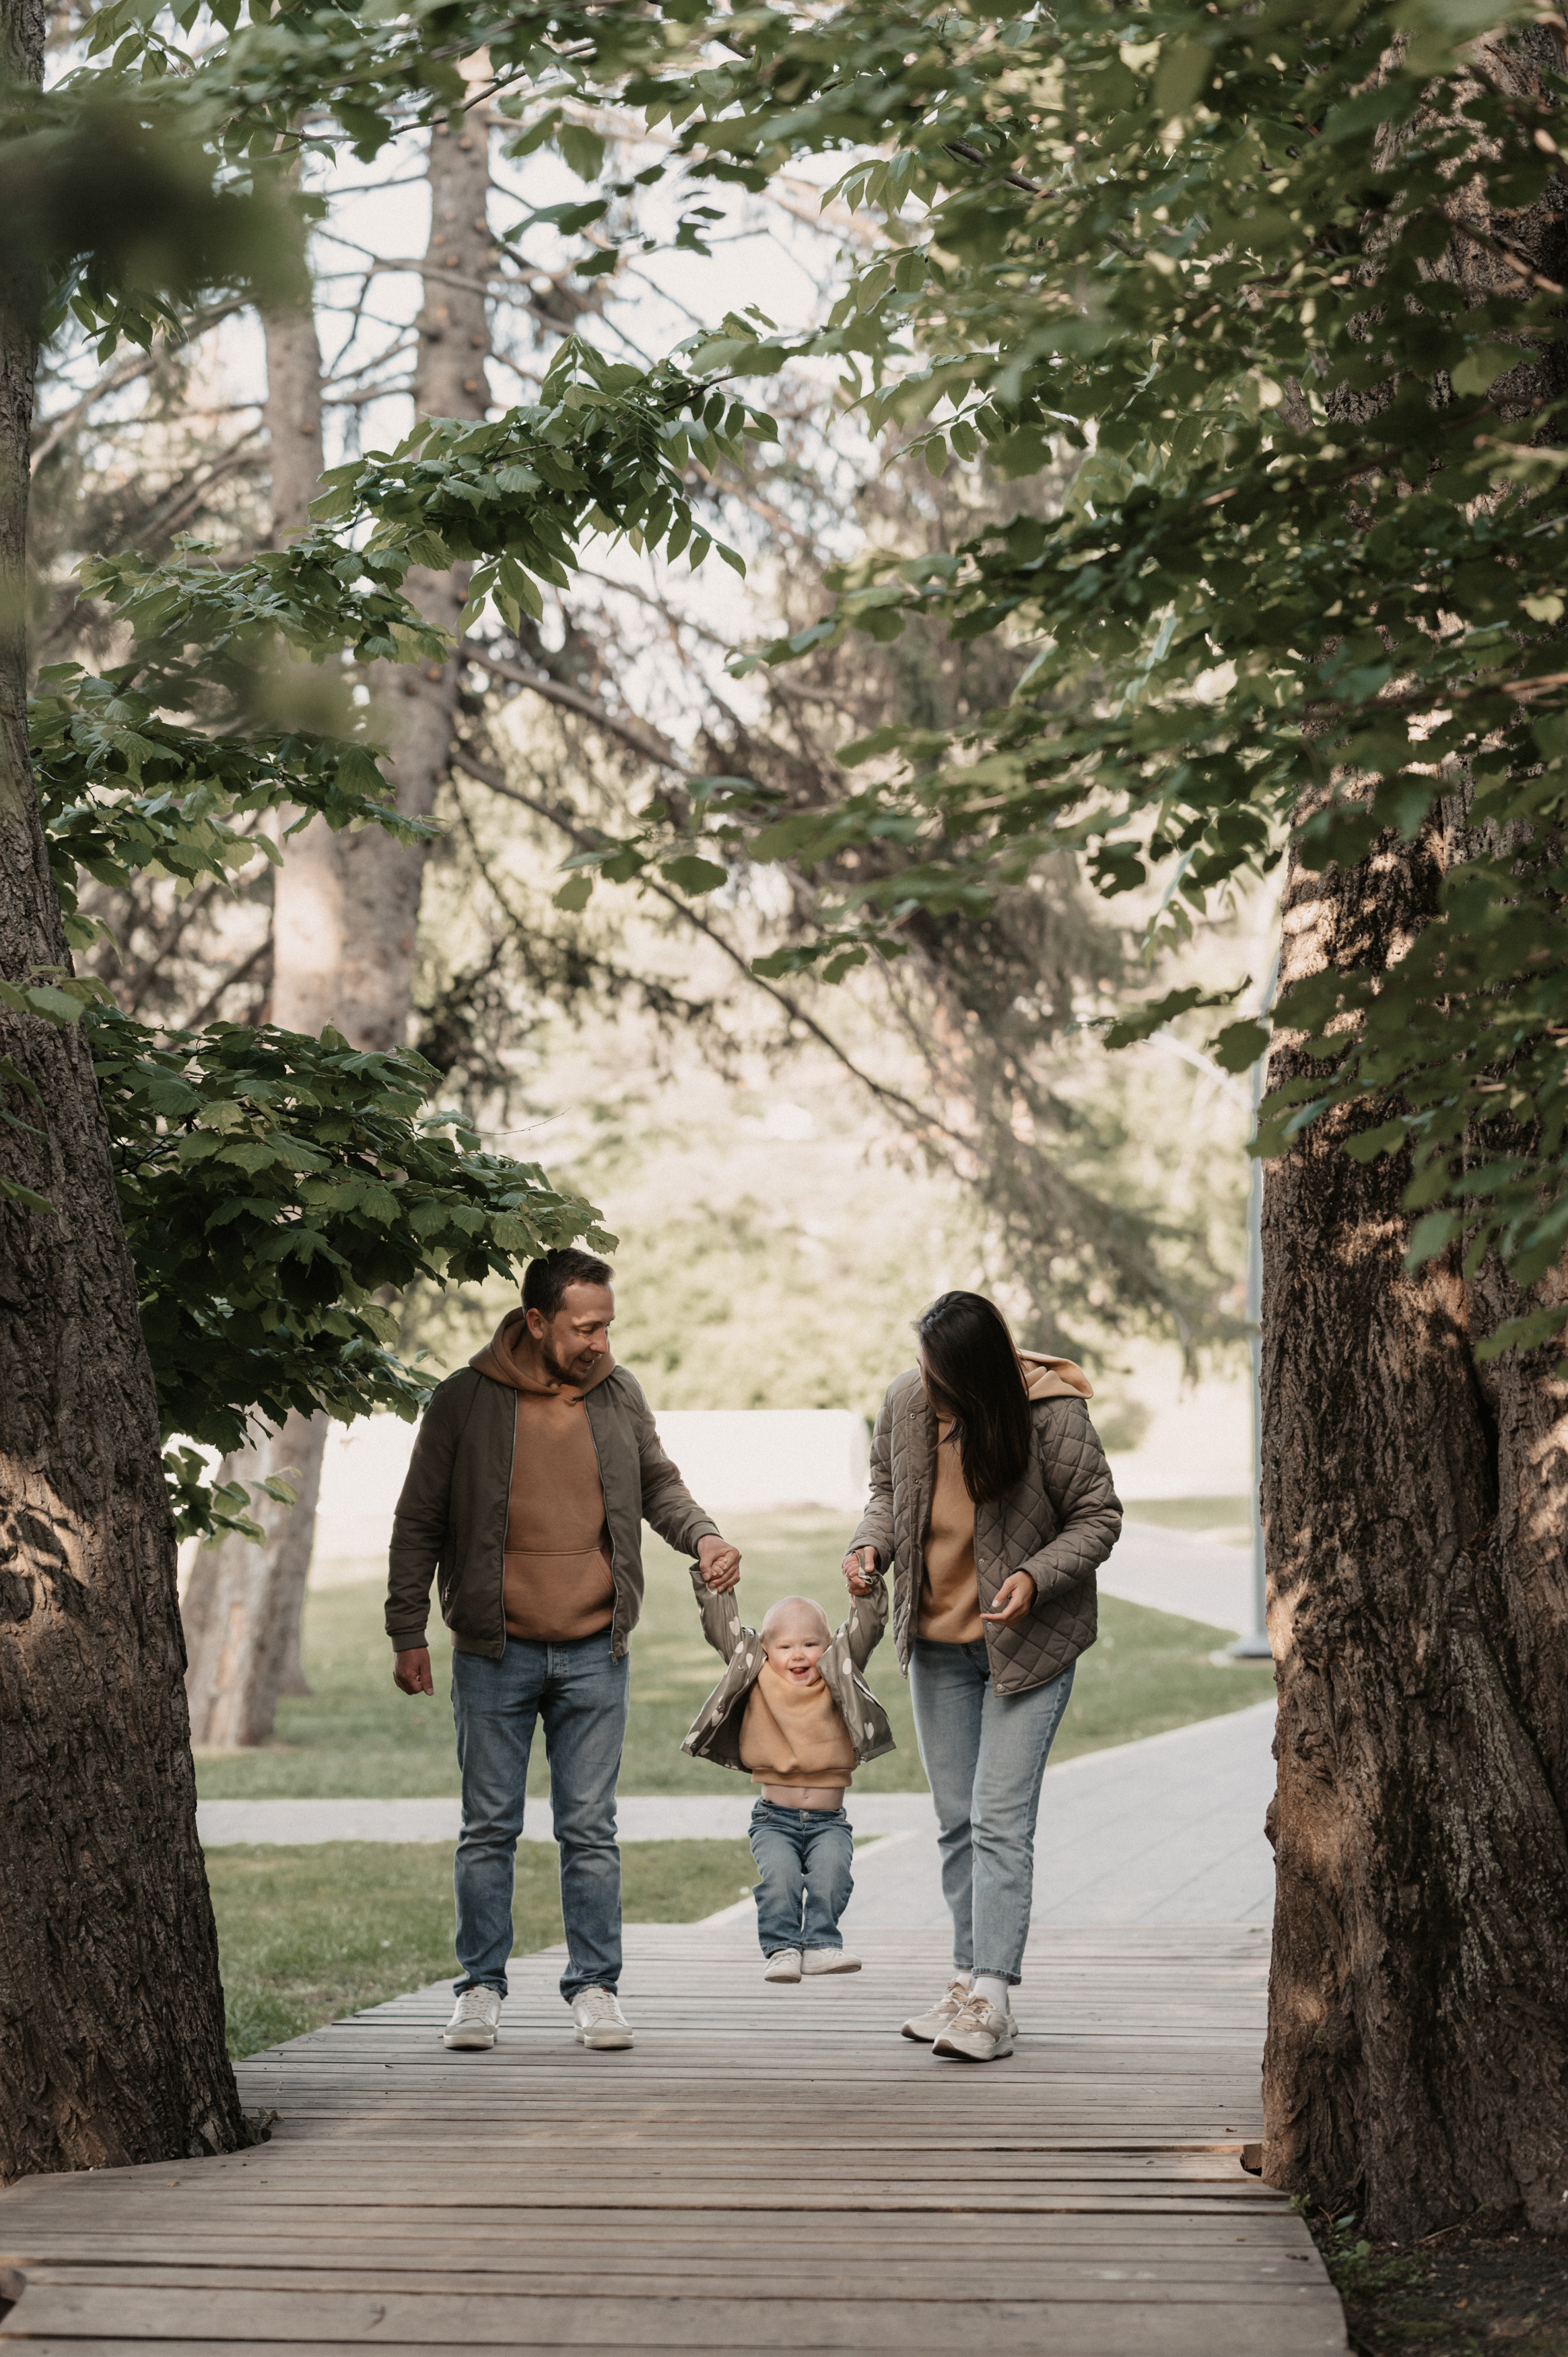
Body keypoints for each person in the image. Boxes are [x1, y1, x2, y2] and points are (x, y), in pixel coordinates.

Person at [385, 1247, 741, 2053]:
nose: (600, 1343)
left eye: (608, 1326)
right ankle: (479, 1988)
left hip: (593, 1649)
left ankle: (596, 1988)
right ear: (537, 1320)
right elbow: (419, 1521)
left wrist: (705, 1533)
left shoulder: (616, 1392)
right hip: (493, 1649)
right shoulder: (466, 1401)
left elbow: (658, 1484)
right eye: (585, 1328)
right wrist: (407, 1629)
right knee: (488, 1828)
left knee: (590, 1830)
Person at [844, 1292, 1122, 2062]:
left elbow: (1098, 1515)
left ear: (976, 1376)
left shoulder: (1050, 1413)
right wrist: (870, 1550)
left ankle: (994, 1999)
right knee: (956, 1821)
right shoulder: (905, 1401)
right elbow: (886, 1494)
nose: (923, 1382)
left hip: (1026, 1649)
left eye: (939, 1374)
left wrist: (1035, 1575)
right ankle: (967, 1982)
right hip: (937, 1647)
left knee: (999, 1820)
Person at [682, 1570, 894, 1981]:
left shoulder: (839, 1672)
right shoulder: (756, 1672)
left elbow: (867, 1629)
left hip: (829, 1822)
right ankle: (782, 1949)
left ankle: (820, 1946)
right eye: (785, 1647)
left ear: (829, 1646)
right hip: (774, 1819)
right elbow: (720, 1630)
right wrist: (715, 1585)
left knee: (832, 1877)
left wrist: (866, 1591)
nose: (798, 1656)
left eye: (811, 1645)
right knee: (780, 1881)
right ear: (765, 1649)